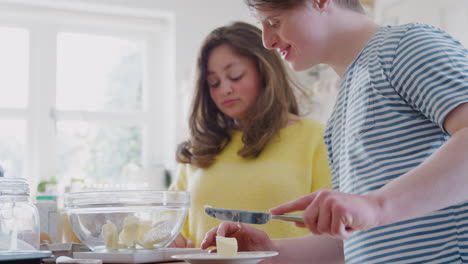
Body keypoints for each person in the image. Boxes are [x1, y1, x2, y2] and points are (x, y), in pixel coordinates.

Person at [201, 0, 468, 263]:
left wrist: (375, 207)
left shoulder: (404, 46)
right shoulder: (343, 107)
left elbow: (373, 212)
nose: (267, 41)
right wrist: (270, 251)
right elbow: (353, 240)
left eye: (274, 22)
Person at [168, 21, 332, 248]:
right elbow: (172, 228)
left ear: (265, 71)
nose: (225, 89)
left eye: (235, 76)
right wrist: (170, 240)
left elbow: (333, 236)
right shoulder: (200, 148)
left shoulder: (316, 138)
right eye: (213, 82)